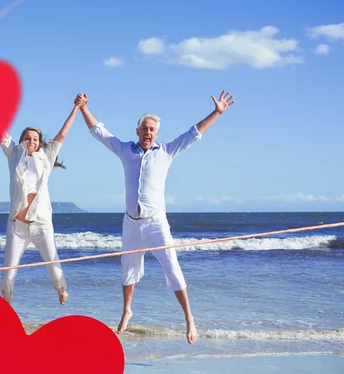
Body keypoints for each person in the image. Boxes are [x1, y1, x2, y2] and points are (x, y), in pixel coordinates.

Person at [75, 90, 235, 344]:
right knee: (128, 270)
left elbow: (195, 133)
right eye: (144, 128)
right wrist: (83, 108)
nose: (148, 133)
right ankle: (127, 310)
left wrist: (217, 112)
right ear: (137, 131)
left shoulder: (167, 151)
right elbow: (99, 132)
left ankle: (189, 318)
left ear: (156, 133)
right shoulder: (125, 150)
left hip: (155, 223)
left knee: (172, 268)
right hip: (131, 222)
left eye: (152, 130)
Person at [0, 89, 82, 305]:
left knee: (53, 265)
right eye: (27, 138)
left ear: (40, 143)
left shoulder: (46, 158)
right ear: (22, 140)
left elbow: (62, 134)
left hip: (41, 224)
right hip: (17, 226)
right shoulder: (13, 154)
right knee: (8, 274)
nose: (31, 141)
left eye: (35, 139)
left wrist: (76, 108)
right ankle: (6, 307)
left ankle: (61, 291)